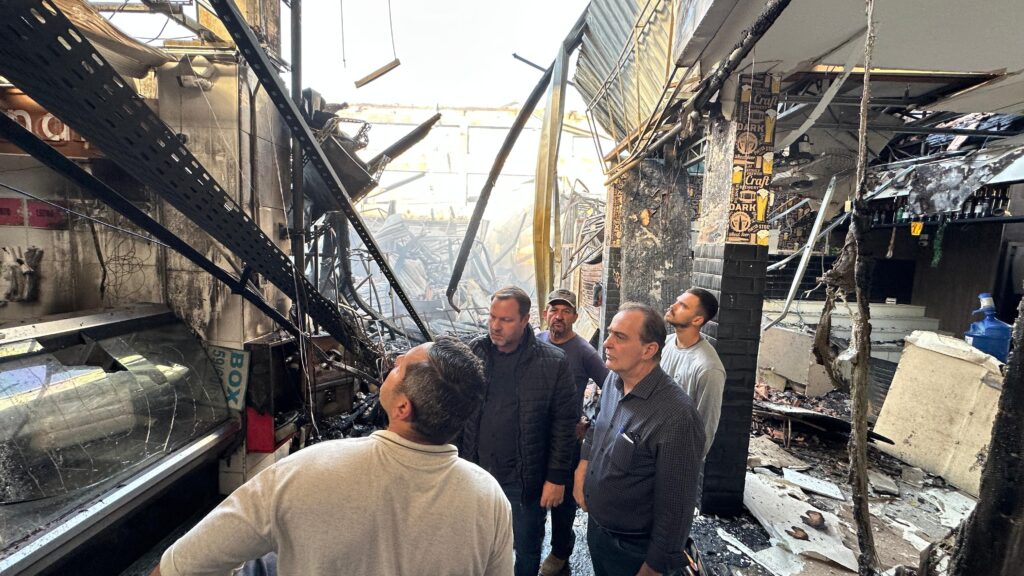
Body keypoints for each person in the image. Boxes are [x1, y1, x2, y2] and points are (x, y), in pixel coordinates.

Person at [153, 337, 513, 576]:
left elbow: (180, 566)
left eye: (402, 366)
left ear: (403, 407)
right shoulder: (488, 497)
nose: (396, 359)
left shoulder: (304, 471)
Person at [574, 303, 704, 576]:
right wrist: (582, 469)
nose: (606, 343)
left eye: (620, 337)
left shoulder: (676, 416)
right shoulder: (613, 380)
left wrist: (655, 566)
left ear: (649, 350)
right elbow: (597, 426)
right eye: (609, 333)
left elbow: (676, 508)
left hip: (633, 549)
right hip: (599, 531)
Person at [461, 286, 578, 576]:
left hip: (524, 480)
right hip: (476, 472)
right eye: (492, 317)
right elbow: (458, 409)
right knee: (477, 542)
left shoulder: (553, 362)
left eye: (506, 320)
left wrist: (555, 478)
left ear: (526, 320)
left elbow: (564, 426)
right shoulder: (475, 352)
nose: (495, 326)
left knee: (526, 548)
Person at [536, 288, 610, 575]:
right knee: (538, 492)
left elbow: (612, 387)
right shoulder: (537, 340)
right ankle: (537, 540)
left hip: (567, 438)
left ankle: (560, 551)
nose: (559, 316)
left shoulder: (584, 352)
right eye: (554, 309)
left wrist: (590, 421)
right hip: (537, 436)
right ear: (546, 314)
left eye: (566, 311)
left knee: (564, 501)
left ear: (575, 317)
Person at [661, 288, 726, 459]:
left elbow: (706, 426)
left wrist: (684, 467)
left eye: (682, 305)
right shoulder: (665, 344)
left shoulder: (708, 368)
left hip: (676, 459)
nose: (673, 306)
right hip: (651, 450)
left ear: (697, 319)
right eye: (677, 301)